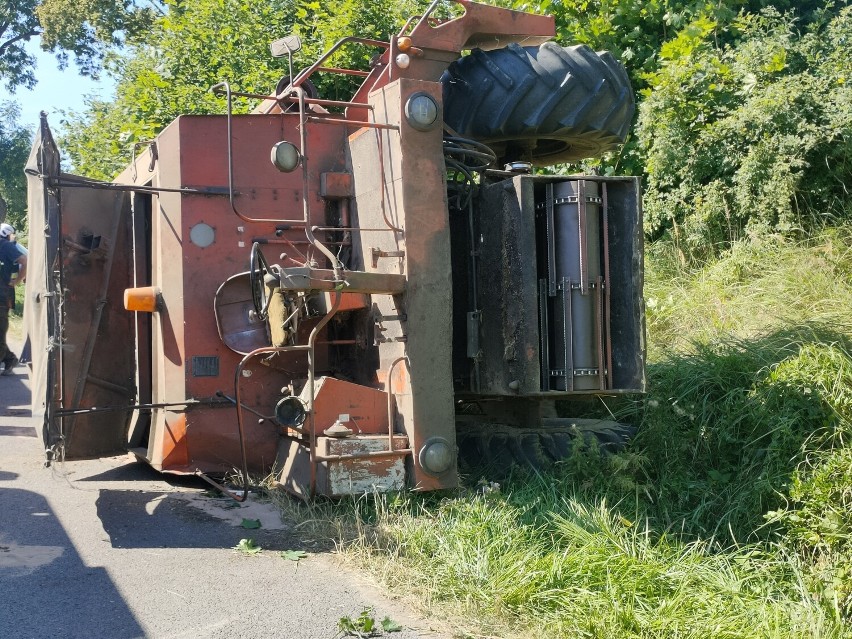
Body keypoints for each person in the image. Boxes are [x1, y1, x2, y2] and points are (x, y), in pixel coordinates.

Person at [0, 222, 27, 376]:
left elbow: (24, 261)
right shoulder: (6, 245)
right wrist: (16, 282)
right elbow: (25, 260)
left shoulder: (6, 246)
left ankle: (9, 358)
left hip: (2, 297)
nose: (12, 238)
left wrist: (16, 281)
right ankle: (9, 358)